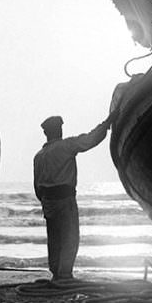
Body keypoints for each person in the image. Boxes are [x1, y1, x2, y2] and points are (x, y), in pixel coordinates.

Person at [33, 113, 113, 281]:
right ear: (59, 130)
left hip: (48, 200)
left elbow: (37, 186)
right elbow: (90, 140)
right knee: (70, 237)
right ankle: (65, 274)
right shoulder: (66, 146)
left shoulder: (39, 156)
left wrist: (46, 201)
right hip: (65, 197)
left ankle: (56, 272)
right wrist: (106, 123)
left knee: (54, 238)